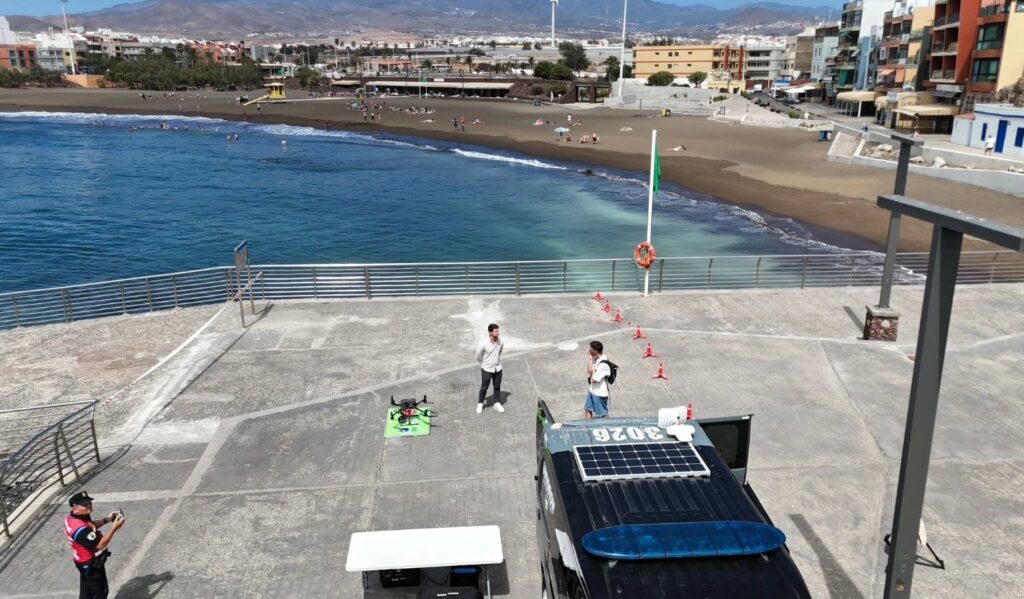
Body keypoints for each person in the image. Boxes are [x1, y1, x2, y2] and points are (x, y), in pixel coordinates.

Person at [64, 491, 126, 599]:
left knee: (86, 592)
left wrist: (107, 519)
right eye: (85, 504)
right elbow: (100, 545)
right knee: (100, 592)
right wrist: (115, 528)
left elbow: (91, 526)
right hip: (91, 564)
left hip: (82, 562)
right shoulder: (79, 529)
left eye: (89, 502)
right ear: (75, 508)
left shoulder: (76, 517)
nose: (89, 505)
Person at [476, 323, 504, 414]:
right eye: (496, 331)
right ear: (490, 332)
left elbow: (499, 352)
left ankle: (497, 403)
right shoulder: (484, 343)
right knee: (484, 387)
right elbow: (478, 355)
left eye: (498, 331)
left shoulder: (500, 342)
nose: (498, 333)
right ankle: (480, 403)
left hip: (498, 369)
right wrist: (485, 363)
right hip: (487, 370)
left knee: (497, 386)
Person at [585, 341, 611, 419]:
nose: (589, 350)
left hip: (599, 393)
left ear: (595, 351)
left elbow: (593, 379)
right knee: (588, 409)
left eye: (590, 349)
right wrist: (590, 359)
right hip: (592, 390)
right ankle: (587, 426)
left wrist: (592, 370)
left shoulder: (603, 363)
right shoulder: (595, 358)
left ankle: (606, 427)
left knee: (602, 414)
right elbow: (589, 372)